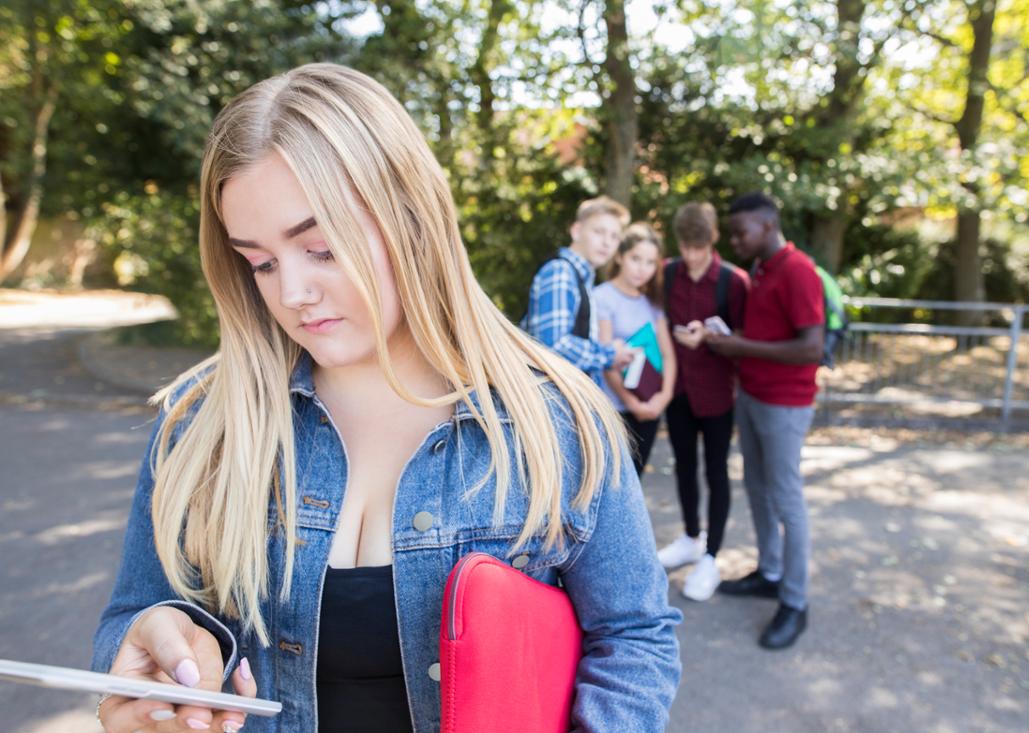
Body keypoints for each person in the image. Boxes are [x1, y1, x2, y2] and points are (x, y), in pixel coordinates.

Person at [91, 63, 681, 733]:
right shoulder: (199, 427)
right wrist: (151, 663)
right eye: (260, 261)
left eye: (319, 247)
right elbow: (134, 615)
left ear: (410, 217)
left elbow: (634, 634)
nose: (291, 293)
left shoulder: (559, 422)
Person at [705, 192, 824, 650]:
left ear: (769, 225)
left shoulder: (798, 271)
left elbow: (810, 347)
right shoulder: (761, 269)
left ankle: (795, 601)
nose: (735, 239)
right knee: (756, 487)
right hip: (753, 397)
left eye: (742, 231)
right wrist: (730, 340)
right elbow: (767, 334)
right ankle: (770, 573)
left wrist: (741, 348)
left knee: (787, 499)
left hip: (785, 404)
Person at [658, 202, 749, 602]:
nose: (693, 255)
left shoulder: (734, 281)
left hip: (716, 392)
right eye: (686, 246)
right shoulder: (668, 273)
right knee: (684, 467)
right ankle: (692, 536)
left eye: (700, 246)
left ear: (712, 240)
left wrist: (710, 338)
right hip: (677, 390)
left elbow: (745, 339)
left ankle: (711, 557)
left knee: (716, 472)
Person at [592, 223, 677, 477]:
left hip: (650, 405)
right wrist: (632, 403)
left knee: (635, 484)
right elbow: (606, 357)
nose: (643, 269)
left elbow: (668, 355)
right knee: (612, 483)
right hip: (614, 408)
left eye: (651, 262)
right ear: (620, 256)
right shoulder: (602, 297)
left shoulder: (652, 303)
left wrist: (664, 397)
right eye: (636, 259)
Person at [523, 196, 635, 384]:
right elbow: (553, 345)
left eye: (615, 236)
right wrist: (609, 354)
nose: (607, 242)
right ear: (576, 231)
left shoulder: (581, 279)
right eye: (599, 232)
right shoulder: (561, 272)